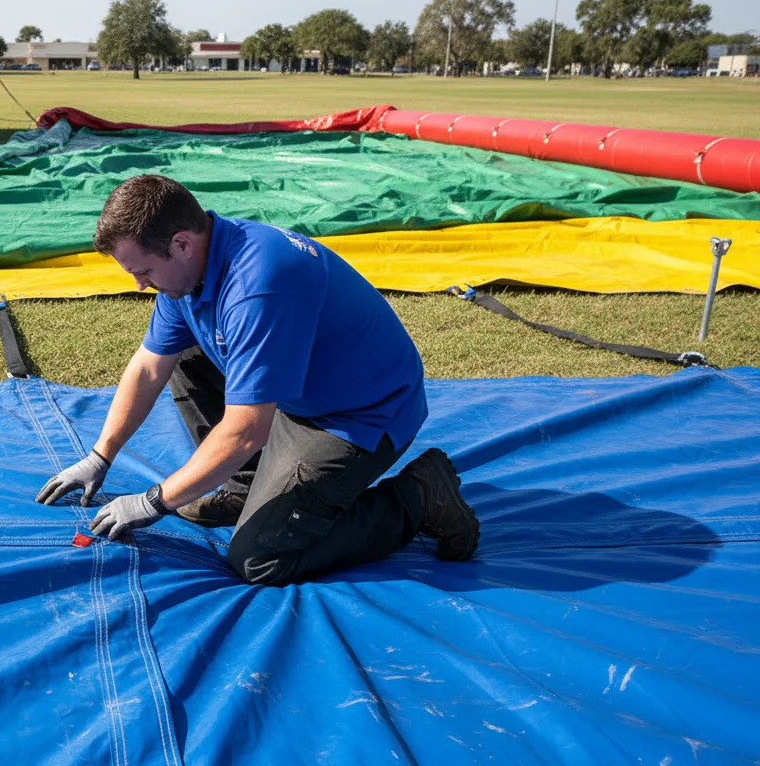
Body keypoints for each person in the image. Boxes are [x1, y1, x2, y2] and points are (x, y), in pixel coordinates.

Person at [34, 175, 479, 586]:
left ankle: (419, 496)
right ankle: (243, 485)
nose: (138, 285)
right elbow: (150, 366)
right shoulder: (193, 268)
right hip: (304, 392)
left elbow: (246, 430)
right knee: (184, 350)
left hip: (360, 414)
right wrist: (100, 456)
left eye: (143, 271)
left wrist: (154, 500)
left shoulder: (258, 284)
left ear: (181, 243)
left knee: (259, 557)